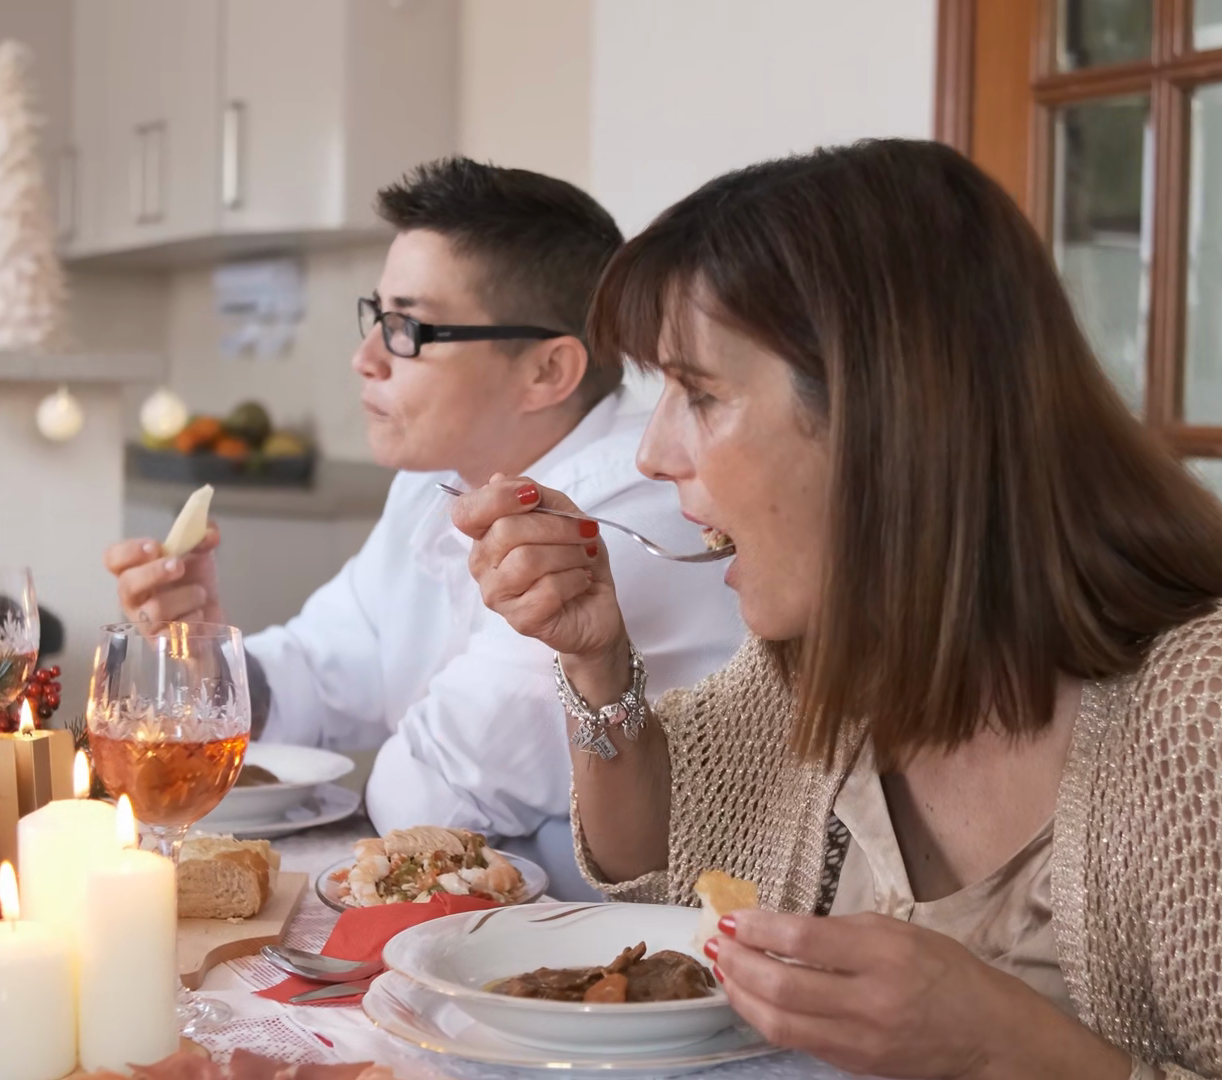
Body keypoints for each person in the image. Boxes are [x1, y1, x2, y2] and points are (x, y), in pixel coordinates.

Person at [452, 140, 1222, 1077]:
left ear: (885, 414)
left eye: (700, 394)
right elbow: (660, 859)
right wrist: (595, 660)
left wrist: (1001, 1048)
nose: (652, 453)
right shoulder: (833, 656)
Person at [106, 158, 745, 898]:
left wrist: (391, 768)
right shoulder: (434, 482)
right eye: (376, 316)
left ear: (547, 371)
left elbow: (429, 803)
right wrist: (203, 650)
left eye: (407, 327)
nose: (366, 358)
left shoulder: (623, 511)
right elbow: (319, 671)